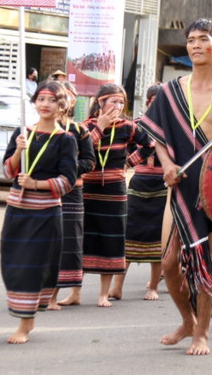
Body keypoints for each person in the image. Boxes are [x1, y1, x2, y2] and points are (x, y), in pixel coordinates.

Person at [138, 18, 212, 356]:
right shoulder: (171, 91)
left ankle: (202, 333)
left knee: (205, 264)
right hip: (178, 187)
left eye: (203, 39)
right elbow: (156, 136)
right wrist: (167, 164)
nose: (196, 45)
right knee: (169, 263)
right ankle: (186, 320)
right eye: (191, 40)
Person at [1, 81, 78, 343]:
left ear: (61, 106)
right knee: (13, 266)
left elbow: (67, 181)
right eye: (41, 99)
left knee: (33, 267)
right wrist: (19, 151)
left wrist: (36, 184)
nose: (45, 104)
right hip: (16, 210)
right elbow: (8, 171)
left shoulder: (66, 140)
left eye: (52, 100)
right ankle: (27, 314)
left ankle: (25, 323)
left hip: (45, 213)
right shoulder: (21, 133)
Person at [79, 83, 154, 306]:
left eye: (121, 102)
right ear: (100, 102)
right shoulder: (85, 126)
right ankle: (75, 292)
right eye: (113, 101)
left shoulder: (127, 127)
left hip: (115, 190)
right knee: (83, 239)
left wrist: (129, 163)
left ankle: (104, 294)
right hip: (89, 190)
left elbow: (149, 145)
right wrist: (100, 127)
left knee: (111, 239)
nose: (118, 106)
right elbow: (80, 150)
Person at [110, 84, 165, 302]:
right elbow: (127, 148)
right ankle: (117, 286)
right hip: (139, 182)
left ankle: (152, 287)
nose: (154, 105)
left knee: (158, 237)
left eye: (159, 101)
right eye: (151, 101)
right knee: (129, 233)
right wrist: (129, 162)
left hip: (162, 185)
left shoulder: (173, 125)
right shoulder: (136, 126)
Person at [48, 82, 96, 310]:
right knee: (49, 241)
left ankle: (73, 291)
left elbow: (89, 162)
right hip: (45, 191)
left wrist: (67, 168)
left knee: (71, 242)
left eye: (65, 97)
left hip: (72, 191)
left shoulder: (79, 130)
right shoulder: (37, 129)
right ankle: (46, 292)